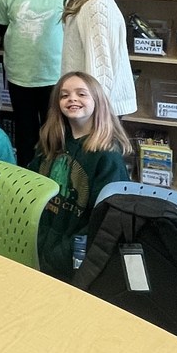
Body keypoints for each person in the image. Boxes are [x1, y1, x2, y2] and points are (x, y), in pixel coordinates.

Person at [30, 71, 132, 281]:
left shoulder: (108, 157)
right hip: (36, 248)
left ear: (98, 101)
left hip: (72, 261)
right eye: (64, 95)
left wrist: (63, 254)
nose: (72, 99)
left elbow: (106, 220)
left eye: (81, 94)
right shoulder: (51, 142)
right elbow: (29, 189)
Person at [0, 0, 70, 165]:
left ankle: (52, 176)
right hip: (19, 77)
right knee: (25, 132)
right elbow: (0, 28)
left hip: (54, 77)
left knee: (55, 133)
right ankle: (25, 176)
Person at [60, 0, 137, 115]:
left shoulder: (97, 7)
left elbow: (101, 68)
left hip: (97, 109)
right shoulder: (84, 0)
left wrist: (93, 113)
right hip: (88, 104)